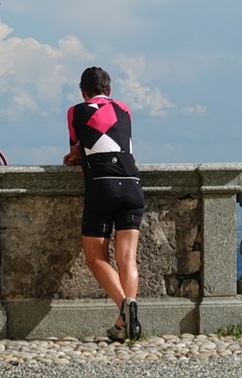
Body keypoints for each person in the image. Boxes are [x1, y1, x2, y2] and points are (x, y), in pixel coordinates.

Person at [63, 66, 143, 341]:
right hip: (132, 183)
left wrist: (76, 157)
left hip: (103, 186)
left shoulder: (76, 111)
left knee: (95, 256)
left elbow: (77, 147)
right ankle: (124, 324)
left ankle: (125, 307)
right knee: (127, 259)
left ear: (82, 90)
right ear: (108, 90)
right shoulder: (125, 109)